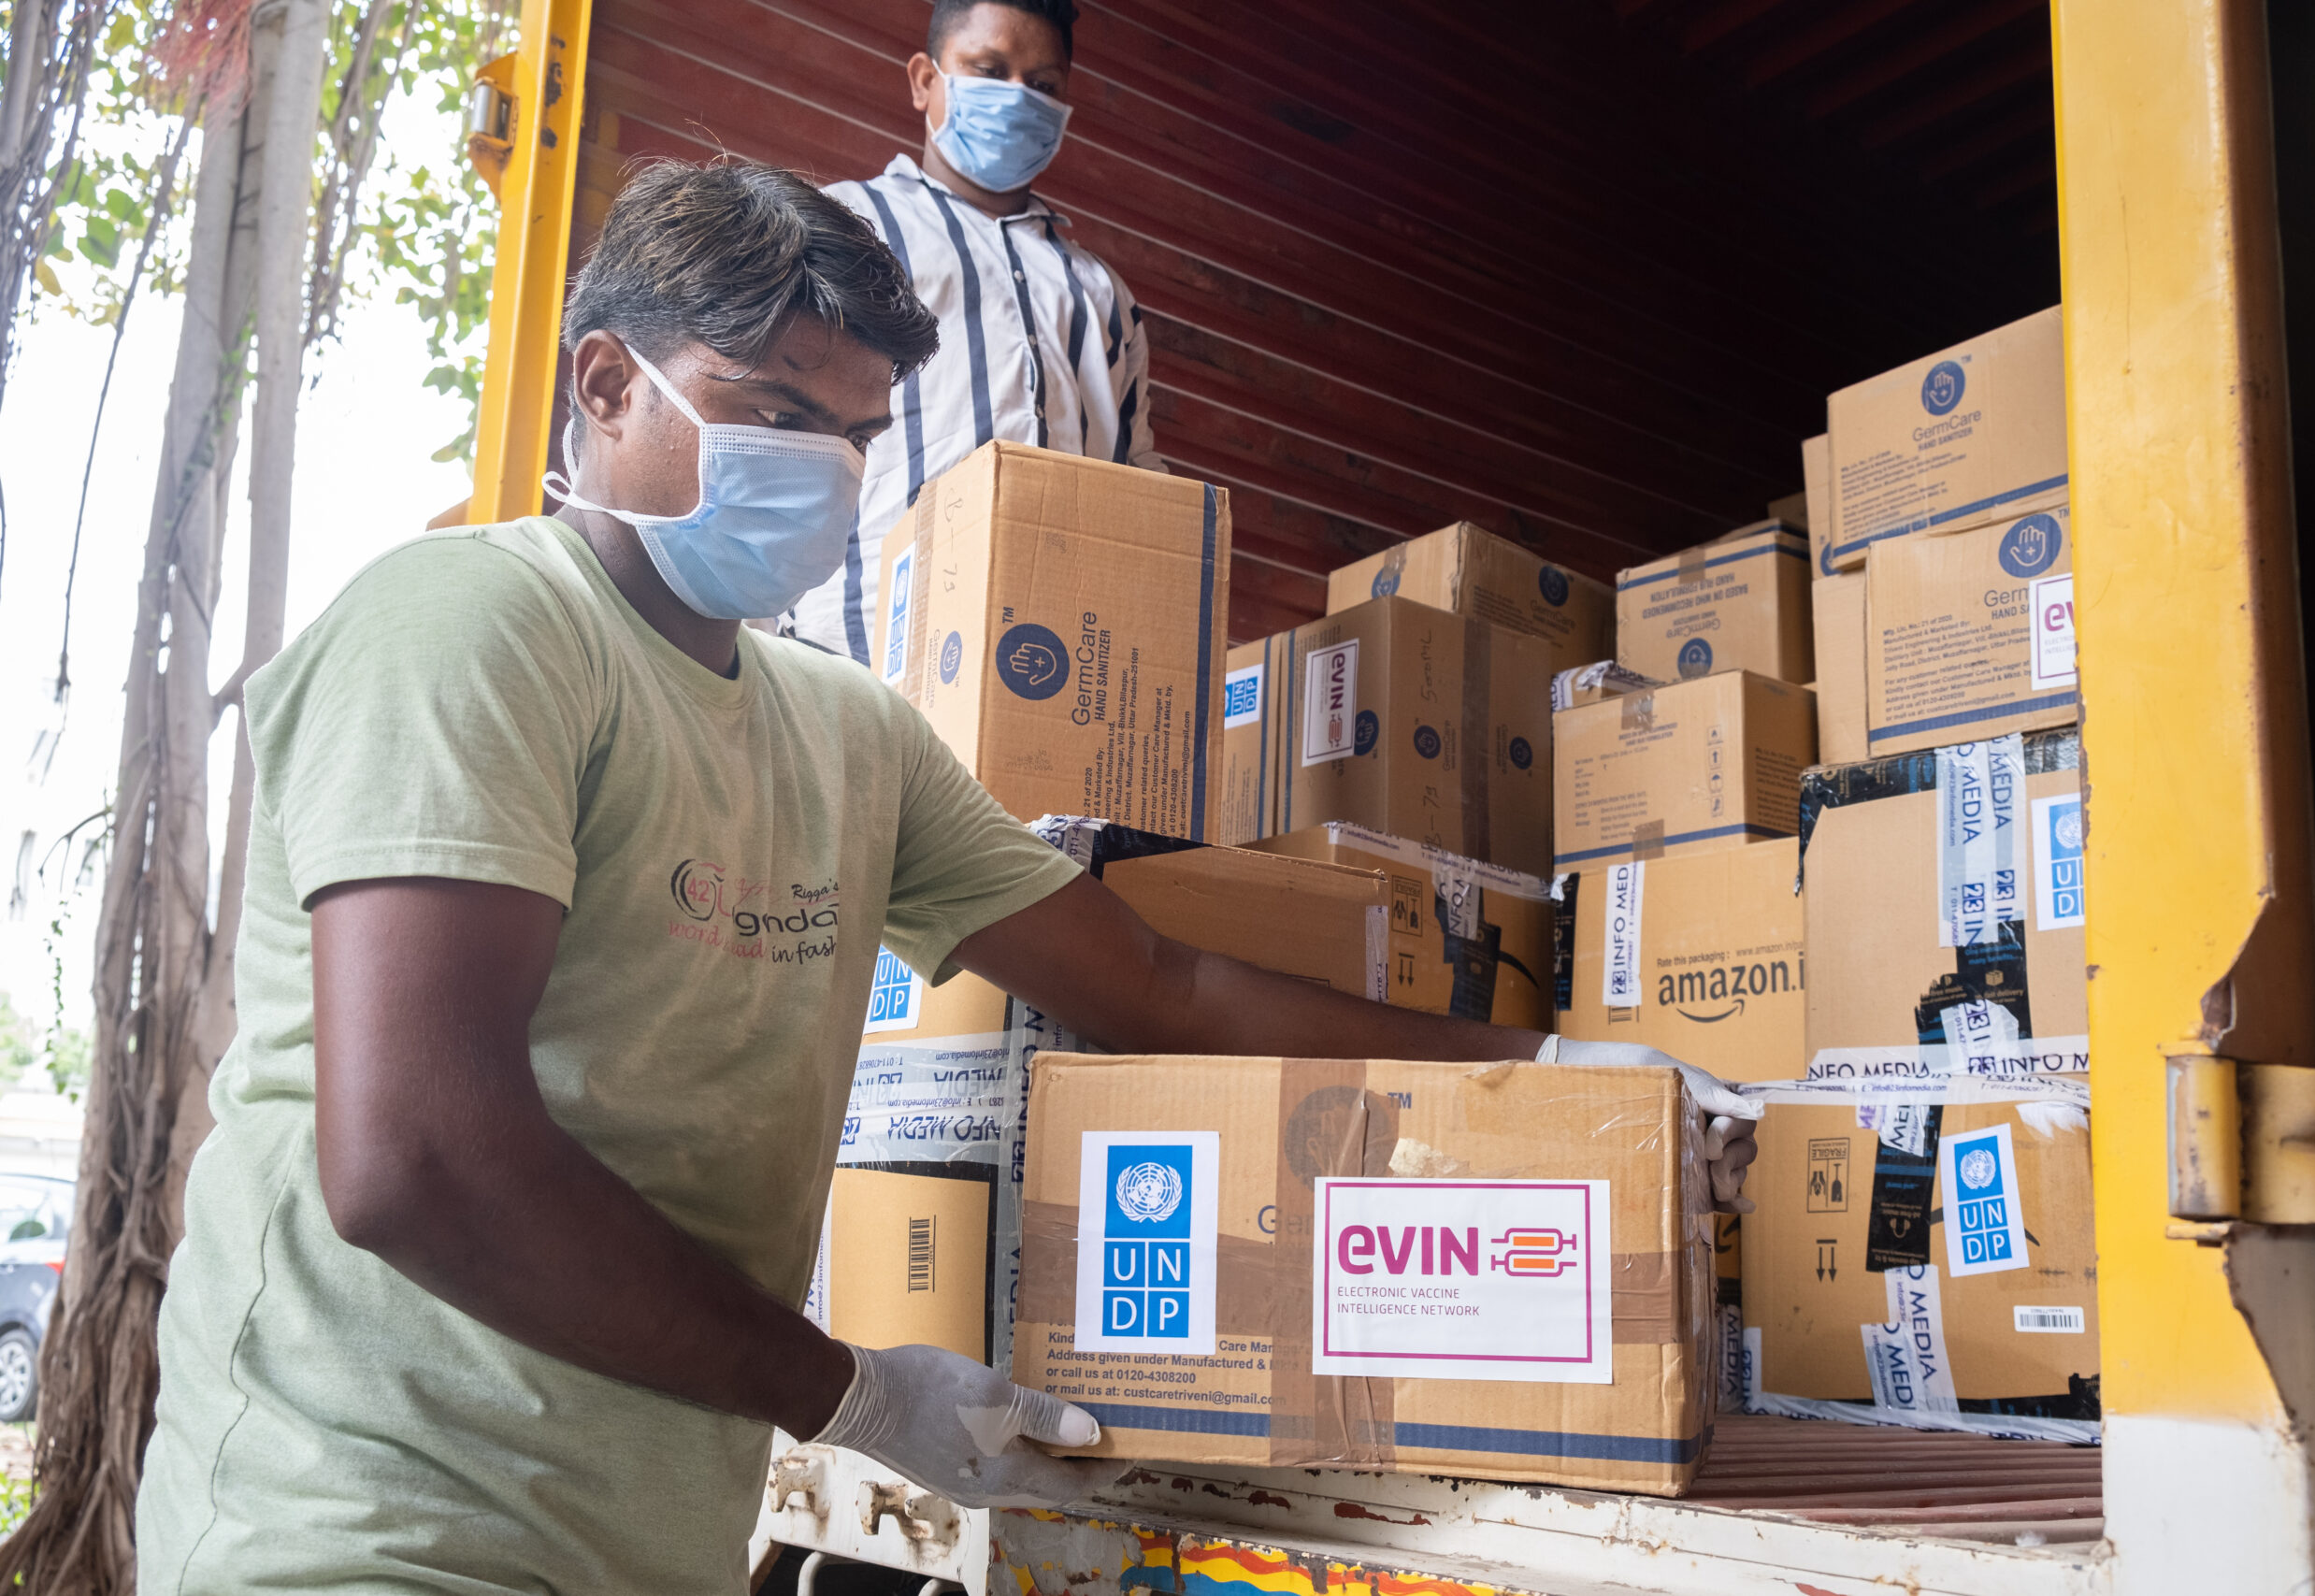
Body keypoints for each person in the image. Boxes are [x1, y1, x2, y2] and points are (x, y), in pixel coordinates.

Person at [135, 158, 1754, 1595]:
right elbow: (418, 1158)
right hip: (367, 1522)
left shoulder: (843, 727)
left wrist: (1554, 1067)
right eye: (772, 411)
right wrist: (846, 1391)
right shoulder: (474, 625)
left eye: (852, 436)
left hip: (638, 1538)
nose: (823, 471)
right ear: (609, 384)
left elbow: (1156, 988)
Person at [782, 0, 1164, 662]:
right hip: (857, 659)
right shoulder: (846, 226)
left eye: (1042, 87)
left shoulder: (1099, 293)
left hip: (1052, 666)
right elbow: (772, 426)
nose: (1017, 99)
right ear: (925, 80)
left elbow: (1138, 480)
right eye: (988, 70)